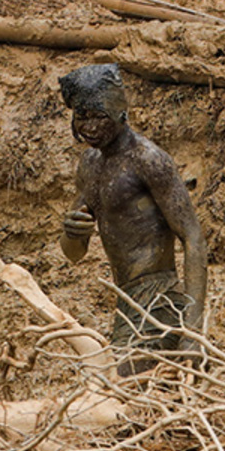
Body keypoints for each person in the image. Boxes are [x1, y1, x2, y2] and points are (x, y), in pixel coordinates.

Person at [59, 64, 207, 376]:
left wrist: (193, 332)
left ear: (119, 111)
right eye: (81, 116)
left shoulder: (147, 160)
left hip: (160, 299)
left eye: (98, 115)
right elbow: (74, 253)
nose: (88, 126)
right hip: (126, 303)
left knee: (129, 391)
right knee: (130, 396)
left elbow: (193, 237)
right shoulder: (90, 165)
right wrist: (72, 232)